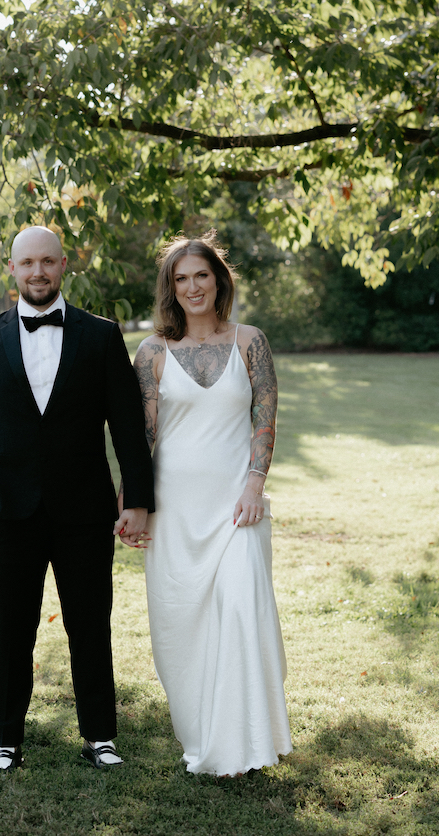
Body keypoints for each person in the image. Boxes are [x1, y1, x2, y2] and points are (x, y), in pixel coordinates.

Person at [0, 226, 154, 773]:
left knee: (91, 624)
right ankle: (5, 740)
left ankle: (101, 736)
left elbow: (128, 427)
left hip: (85, 511)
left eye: (47, 262)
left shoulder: (101, 336)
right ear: (10, 270)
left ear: (64, 266)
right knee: (11, 626)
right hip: (8, 511)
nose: (37, 272)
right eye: (26, 263)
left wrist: (138, 500)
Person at [130, 232, 292, 775]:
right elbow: (141, 441)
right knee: (183, 626)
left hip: (236, 506)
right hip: (174, 510)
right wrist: (132, 504)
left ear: (218, 280)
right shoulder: (152, 352)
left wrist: (254, 485)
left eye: (202, 275)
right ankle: (203, 736)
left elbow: (263, 421)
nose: (192, 286)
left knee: (243, 613)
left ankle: (247, 744)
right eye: (181, 278)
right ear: (170, 289)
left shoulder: (251, 341)